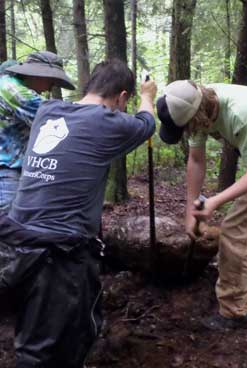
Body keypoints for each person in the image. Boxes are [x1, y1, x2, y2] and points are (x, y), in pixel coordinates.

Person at [0, 59, 156, 367]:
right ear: (122, 98)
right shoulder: (108, 122)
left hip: (18, 243)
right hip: (59, 256)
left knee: (46, 329)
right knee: (46, 348)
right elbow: (147, 123)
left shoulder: (47, 111)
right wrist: (148, 97)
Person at [157, 80, 247, 330]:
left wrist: (213, 201)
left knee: (237, 231)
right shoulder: (196, 104)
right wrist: (191, 210)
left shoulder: (241, 113)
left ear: (198, 116)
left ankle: (235, 310)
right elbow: (196, 159)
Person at [0, 51, 75, 212]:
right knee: (8, 224)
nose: (49, 88)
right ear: (40, 75)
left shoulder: (8, 85)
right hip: (6, 172)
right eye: (51, 82)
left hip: (12, 170)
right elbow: (59, 118)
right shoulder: (14, 91)